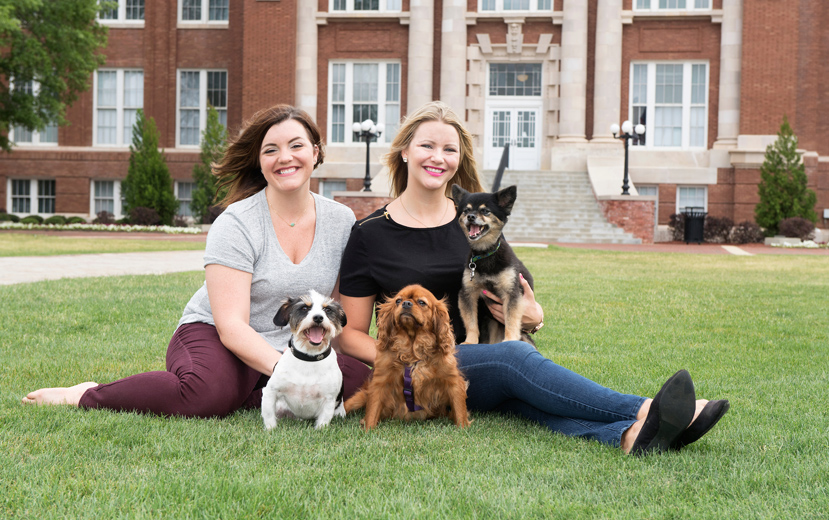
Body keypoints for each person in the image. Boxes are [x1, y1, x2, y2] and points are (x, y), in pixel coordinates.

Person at [335, 101, 729, 454]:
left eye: (449, 149)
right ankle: (648, 408)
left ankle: (629, 436)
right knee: (513, 359)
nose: (438, 157)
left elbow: (514, 294)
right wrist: (408, 363)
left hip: (481, 361)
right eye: (426, 146)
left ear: (460, 159)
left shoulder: (475, 225)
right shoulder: (370, 233)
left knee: (523, 400)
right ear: (404, 150)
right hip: (424, 371)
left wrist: (534, 315)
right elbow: (349, 331)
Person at [23, 105, 371, 417]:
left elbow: (335, 316)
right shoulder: (237, 222)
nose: (285, 157)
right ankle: (86, 394)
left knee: (359, 384)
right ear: (259, 161)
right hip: (217, 336)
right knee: (204, 395)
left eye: (296, 145)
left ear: (315, 151)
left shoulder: (341, 221)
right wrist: (293, 374)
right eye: (271, 150)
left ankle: (256, 391)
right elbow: (231, 327)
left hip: (295, 342)